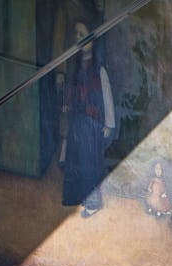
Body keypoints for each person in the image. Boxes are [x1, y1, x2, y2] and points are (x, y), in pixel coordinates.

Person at [59, 21, 115, 218]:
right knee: (76, 162)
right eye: (76, 34)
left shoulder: (99, 68)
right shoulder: (74, 65)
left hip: (92, 123)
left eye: (82, 33)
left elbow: (106, 95)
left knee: (90, 163)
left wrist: (108, 123)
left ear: (92, 39)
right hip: (77, 121)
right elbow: (70, 87)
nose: (78, 37)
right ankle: (77, 197)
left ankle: (93, 202)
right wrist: (66, 103)